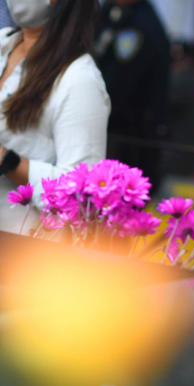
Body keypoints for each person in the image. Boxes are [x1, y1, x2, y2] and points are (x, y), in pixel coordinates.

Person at [0, 0, 110, 234]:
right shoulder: (4, 43)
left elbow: (82, 197)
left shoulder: (80, 79)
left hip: (21, 249)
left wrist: (7, 161)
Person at [95, 0, 170, 194]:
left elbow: (117, 88)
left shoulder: (142, 26)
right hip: (108, 133)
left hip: (126, 142)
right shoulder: (111, 12)